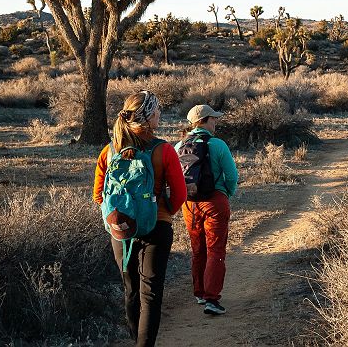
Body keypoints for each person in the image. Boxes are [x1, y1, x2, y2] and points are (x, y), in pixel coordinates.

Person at [93, 90, 187, 346]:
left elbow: (98, 195)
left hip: (122, 230)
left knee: (131, 292)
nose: (159, 116)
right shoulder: (164, 150)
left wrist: (118, 216)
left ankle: (136, 340)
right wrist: (164, 212)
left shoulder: (109, 151)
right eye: (157, 112)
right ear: (148, 116)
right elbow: (180, 193)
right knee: (151, 295)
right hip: (157, 226)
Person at [177, 104, 239, 316]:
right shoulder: (218, 145)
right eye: (213, 119)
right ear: (203, 121)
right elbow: (231, 176)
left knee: (198, 249)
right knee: (215, 249)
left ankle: (200, 293)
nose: (216, 122)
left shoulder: (179, 145)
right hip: (215, 202)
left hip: (190, 204)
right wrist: (225, 194)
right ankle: (212, 299)